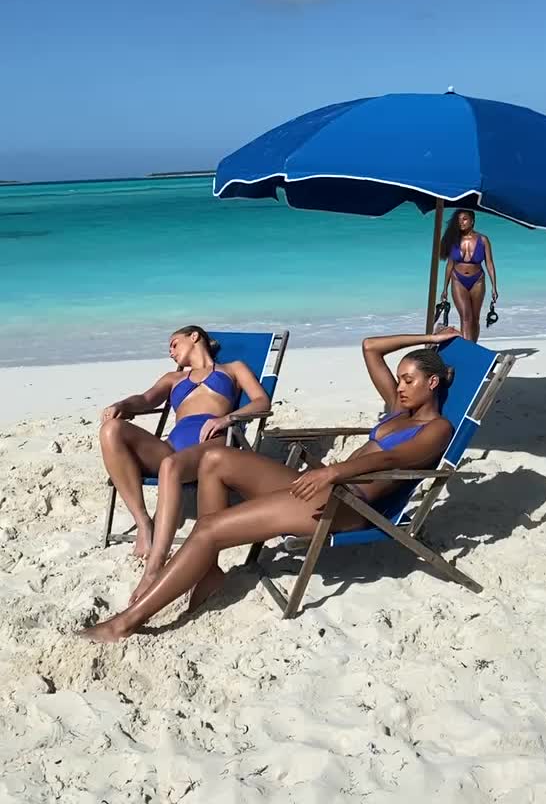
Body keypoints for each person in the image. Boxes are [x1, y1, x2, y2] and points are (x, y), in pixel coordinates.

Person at [80, 328, 460, 642]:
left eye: (409, 380)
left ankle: (125, 623)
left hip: (349, 504)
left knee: (209, 528)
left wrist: (334, 472)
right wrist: (430, 339)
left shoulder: (437, 428)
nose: (400, 386)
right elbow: (370, 347)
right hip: (327, 486)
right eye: (399, 378)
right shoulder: (397, 409)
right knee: (214, 458)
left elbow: (392, 459)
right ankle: (208, 570)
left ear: (432, 382)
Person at [99, 324, 271, 602]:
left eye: (174, 344)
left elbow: (262, 401)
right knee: (111, 430)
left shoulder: (233, 369)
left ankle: (155, 567)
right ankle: (144, 522)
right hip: (171, 448)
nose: (170, 352)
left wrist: (227, 419)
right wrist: (122, 405)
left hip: (212, 445)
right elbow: (145, 399)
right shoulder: (173, 378)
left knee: (170, 466)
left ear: (194, 337)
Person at [440, 209, 498, 343]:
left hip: (477, 280)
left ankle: (473, 346)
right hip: (457, 279)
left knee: (475, 318)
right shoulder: (453, 240)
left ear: (472, 221)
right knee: (466, 317)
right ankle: (468, 349)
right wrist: (444, 288)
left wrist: (494, 286)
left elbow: (489, 263)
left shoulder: (483, 240)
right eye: (459, 220)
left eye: (464, 219)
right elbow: (449, 265)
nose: (461, 222)